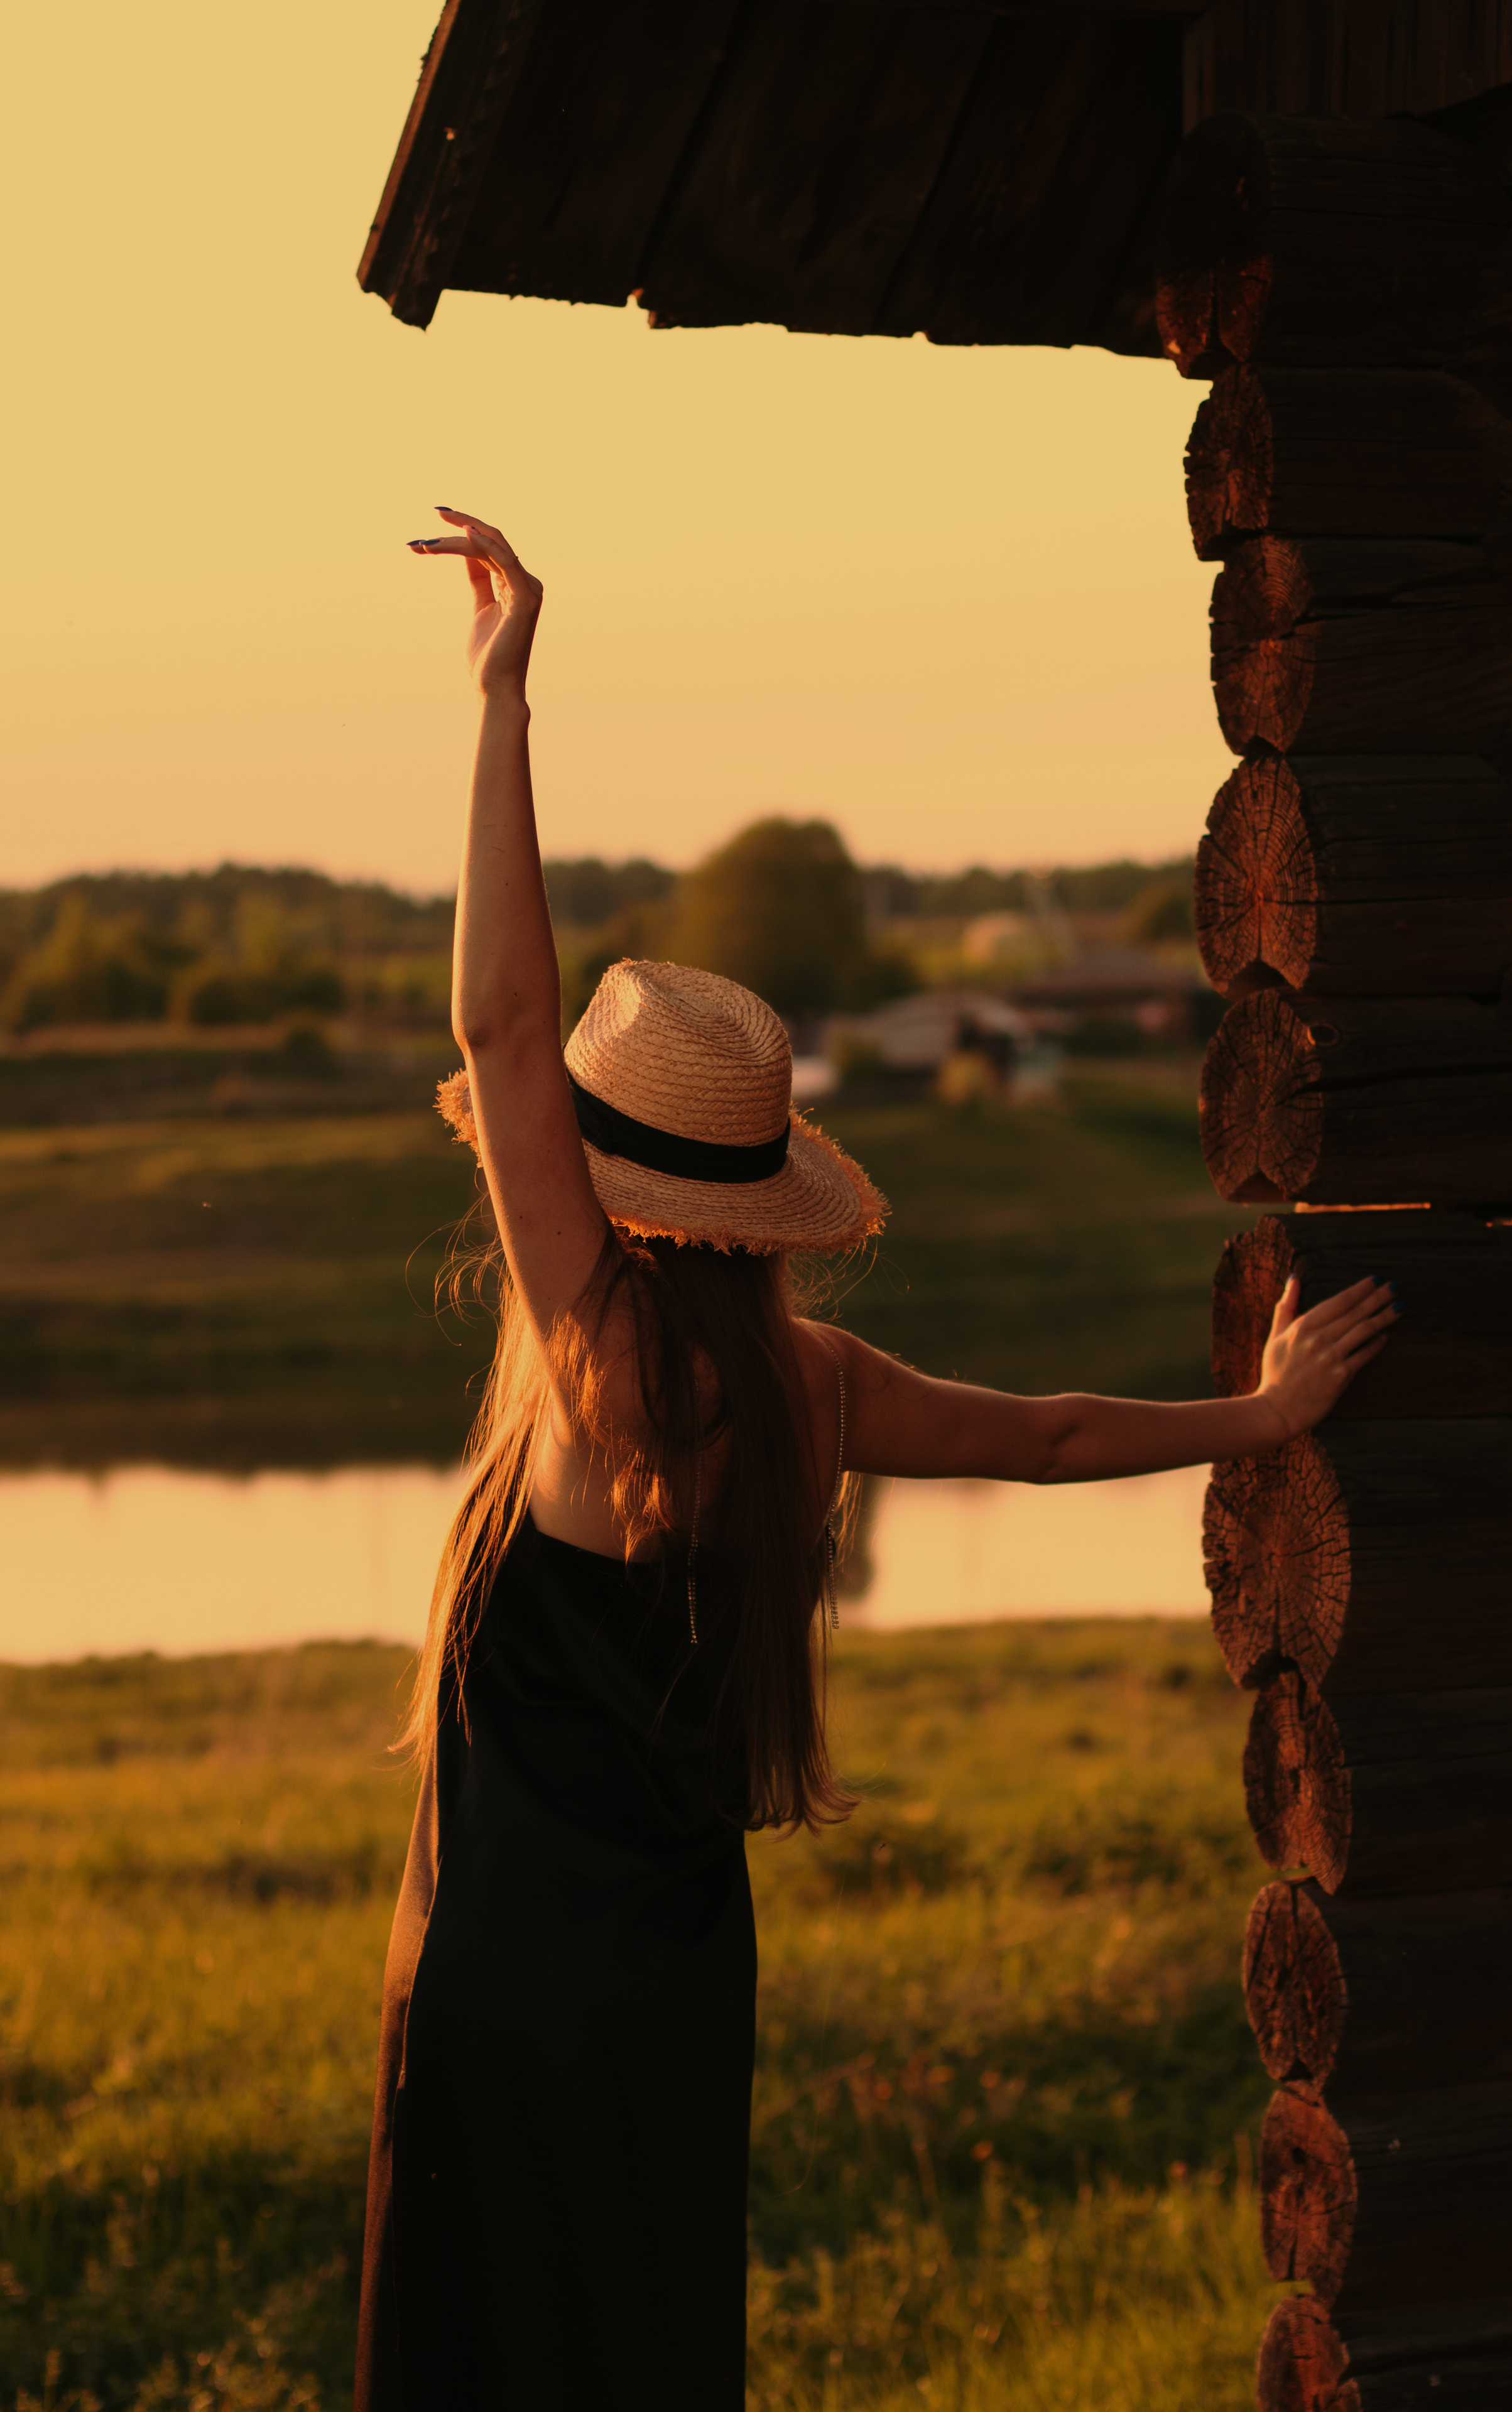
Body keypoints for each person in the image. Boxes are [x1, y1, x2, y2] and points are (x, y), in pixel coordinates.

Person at [353, 510, 1398, 2411]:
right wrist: (1256, 1415)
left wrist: (503, 703)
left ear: (616, 1184)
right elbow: (1057, 1432)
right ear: (759, 1207)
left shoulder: (581, 1337)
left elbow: (502, 1016)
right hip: (675, 1973)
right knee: (644, 2321)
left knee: (485, 2336)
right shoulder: (816, 1389)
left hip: (507, 1970)